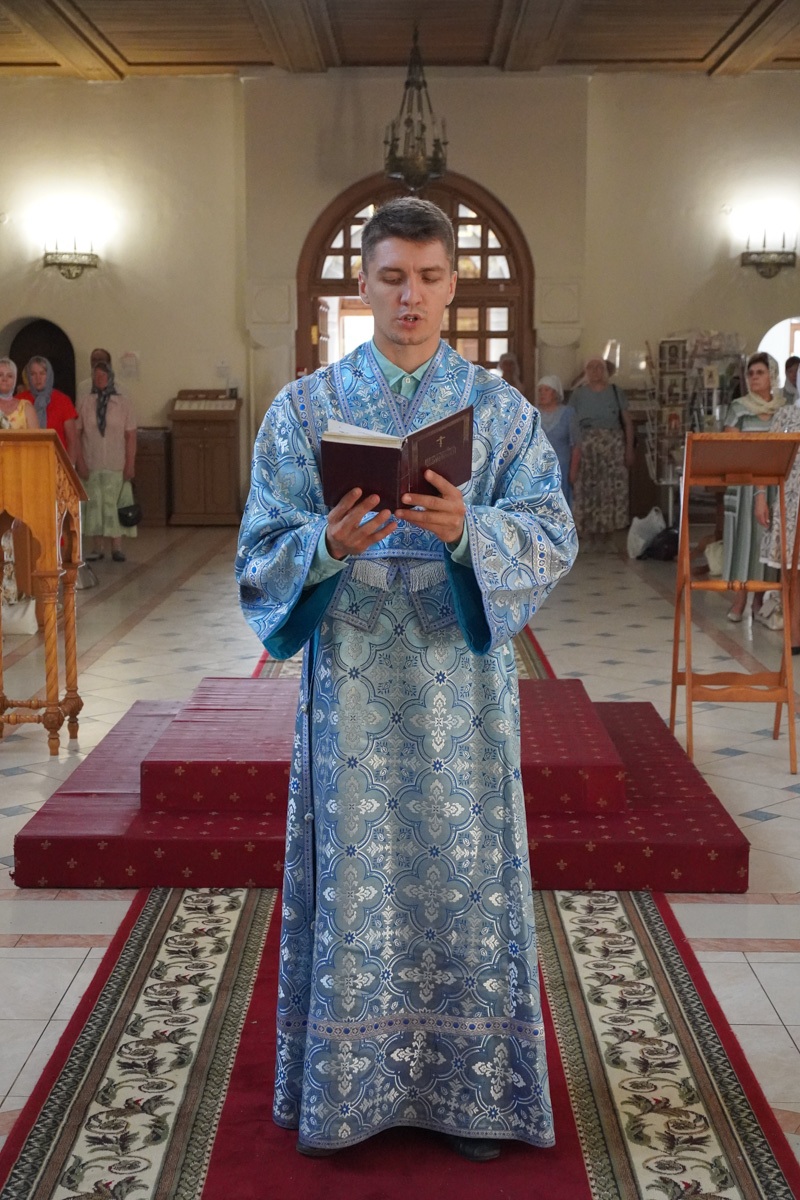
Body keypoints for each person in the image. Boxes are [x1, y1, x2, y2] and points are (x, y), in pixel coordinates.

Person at [236, 197, 576, 1162]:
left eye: (428, 278)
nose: (410, 296)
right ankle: (348, 1092)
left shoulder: (500, 413)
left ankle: (471, 1094)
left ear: (452, 284)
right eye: (391, 278)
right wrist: (325, 545)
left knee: (463, 878)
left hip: (461, 697)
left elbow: (552, 533)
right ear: (364, 283)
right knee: (359, 876)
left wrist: (472, 532)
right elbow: (258, 550)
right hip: (350, 692)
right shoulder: (305, 409)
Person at [723, 352, 785, 622]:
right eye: (751, 374)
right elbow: (731, 447)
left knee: (767, 541)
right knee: (743, 541)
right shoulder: (739, 408)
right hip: (745, 485)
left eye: (760, 372)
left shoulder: (784, 408)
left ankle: (759, 599)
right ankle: (739, 600)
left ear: (772, 375)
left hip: (774, 484)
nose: (755, 378)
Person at [75, 360, 137, 563]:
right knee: (94, 506)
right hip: (91, 462)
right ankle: (97, 547)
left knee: (114, 506)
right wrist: (80, 462)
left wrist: (130, 464)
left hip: (116, 462)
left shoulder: (123, 403)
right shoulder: (85, 402)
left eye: (103, 376)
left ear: (110, 377)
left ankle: (117, 547)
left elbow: (131, 436)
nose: (99, 379)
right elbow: (77, 434)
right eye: (96, 376)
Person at [569, 356, 634, 550]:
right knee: (587, 488)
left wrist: (629, 449)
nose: (595, 371)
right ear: (586, 371)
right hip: (586, 445)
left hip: (612, 446)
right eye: (591, 367)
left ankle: (608, 535)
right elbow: (571, 423)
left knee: (610, 489)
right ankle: (588, 535)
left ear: (605, 370)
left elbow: (628, 423)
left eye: (599, 367)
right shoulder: (578, 394)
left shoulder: (615, 391)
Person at [755, 401, 800, 651]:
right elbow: (766, 457)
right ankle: (794, 634)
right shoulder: (786, 414)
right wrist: (760, 496)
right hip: (791, 499)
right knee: (792, 570)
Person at [1, 357, 38, 629]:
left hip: (21, 481)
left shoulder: (26, 407)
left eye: (9, 376)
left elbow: (38, 443)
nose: (4, 380)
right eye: (0, 375)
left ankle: (19, 594)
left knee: (20, 537)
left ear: (16, 380)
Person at [19, 355, 78, 463]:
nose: (38, 378)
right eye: (33, 374)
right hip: (26, 462)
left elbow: (72, 440)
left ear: (49, 374)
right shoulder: (20, 400)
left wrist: (70, 467)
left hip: (57, 463)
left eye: (42, 373)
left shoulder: (63, 400)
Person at [535, 374, 581, 507]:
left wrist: (573, 471)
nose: (542, 394)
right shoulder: (533, 413)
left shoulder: (568, 414)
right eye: (540, 390)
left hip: (561, 469)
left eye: (546, 390)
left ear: (555, 393)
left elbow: (576, 445)